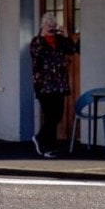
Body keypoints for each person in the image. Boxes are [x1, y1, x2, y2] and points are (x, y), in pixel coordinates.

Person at [28, 13, 77, 157]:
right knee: (49, 115)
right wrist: (43, 36)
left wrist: (66, 36)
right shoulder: (37, 41)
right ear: (42, 26)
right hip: (44, 84)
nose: (51, 28)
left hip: (59, 83)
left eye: (53, 26)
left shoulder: (60, 40)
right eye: (48, 25)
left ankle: (41, 139)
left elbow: (71, 51)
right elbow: (37, 55)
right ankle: (48, 147)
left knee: (57, 115)